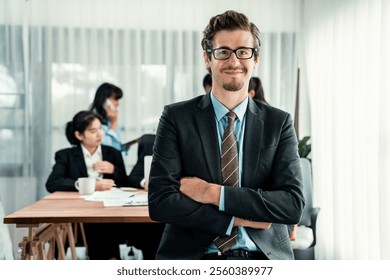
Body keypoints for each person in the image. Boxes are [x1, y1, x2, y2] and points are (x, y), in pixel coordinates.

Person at [148, 10, 305, 260]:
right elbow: (160, 201)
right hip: (195, 258)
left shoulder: (279, 122)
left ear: (256, 59)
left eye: (243, 51)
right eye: (223, 52)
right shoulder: (177, 117)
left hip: (263, 258)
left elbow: (291, 205)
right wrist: (236, 219)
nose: (234, 61)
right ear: (207, 58)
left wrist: (213, 194)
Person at [46, 110, 128, 259]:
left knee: (104, 225)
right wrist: (92, 185)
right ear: (79, 135)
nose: (99, 134)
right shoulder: (66, 155)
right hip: (77, 213)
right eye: (92, 131)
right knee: (72, 226)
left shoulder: (113, 153)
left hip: (107, 212)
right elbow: (53, 183)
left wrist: (114, 170)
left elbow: (126, 182)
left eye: (100, 129)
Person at [90, 82, 127, 152]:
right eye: (116, 99)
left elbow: (116, 147)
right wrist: (113, 123)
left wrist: (125, 146)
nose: (118, 104)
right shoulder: (91, 120)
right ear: (105, 100)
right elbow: (106, 149)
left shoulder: (110, 118)